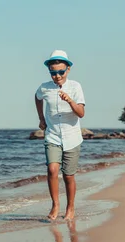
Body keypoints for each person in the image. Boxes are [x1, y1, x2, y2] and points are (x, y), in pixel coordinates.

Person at [35, 50, 85, 221]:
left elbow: (81, 113)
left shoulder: (76, 87)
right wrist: (41, 118)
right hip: (53, 136)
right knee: (52, 169)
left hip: (72, 137)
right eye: (53, 73)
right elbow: (37, 97)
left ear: (68, 70)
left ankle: (70, 207)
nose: (57, 76)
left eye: (60, 72)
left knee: (69, 175)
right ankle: (55, 204)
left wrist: (70, 100)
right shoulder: (44, 87)